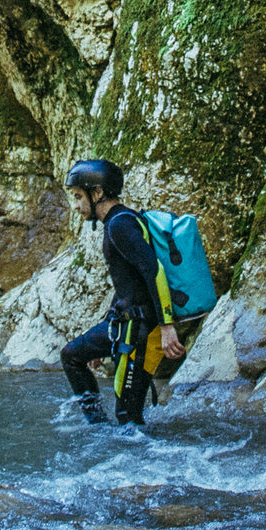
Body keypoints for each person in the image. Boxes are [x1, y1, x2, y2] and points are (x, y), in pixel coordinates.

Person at [58, 159, 185, 425]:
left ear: (98, 193)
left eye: (79, 197)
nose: (76, 205)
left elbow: (154, 272)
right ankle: (97, 427)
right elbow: (128, 285)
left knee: (128, 417)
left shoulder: (120, 225)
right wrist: (106, 328)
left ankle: (130, 453)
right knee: (72, 355)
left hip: (142, 332)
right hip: (125, 324)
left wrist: (167, 326)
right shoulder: (120, 221)